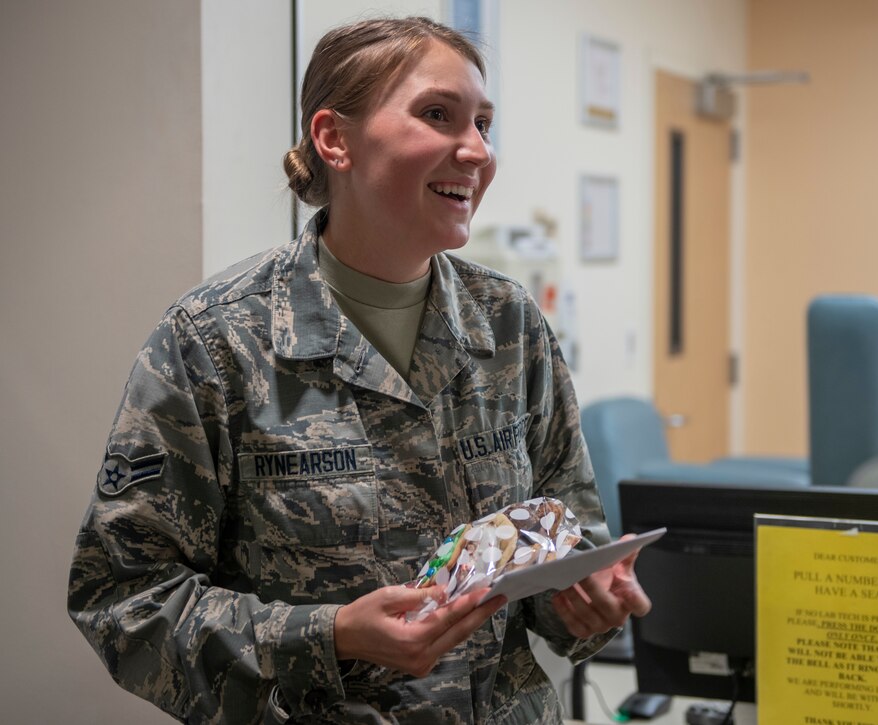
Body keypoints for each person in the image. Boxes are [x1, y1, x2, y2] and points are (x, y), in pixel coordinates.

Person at [68, 15, 650, 725]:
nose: (475, 150)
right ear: (334, 138)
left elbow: (569, 534)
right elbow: (125, 600)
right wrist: (331, 635)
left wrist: (587, 601)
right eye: (438, 115)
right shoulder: (214, 340)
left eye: (483, 124)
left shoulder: (509, 324)